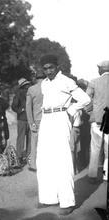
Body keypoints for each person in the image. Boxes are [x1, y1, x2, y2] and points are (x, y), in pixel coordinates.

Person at [36, 54, 90, 215]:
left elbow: (85, 99)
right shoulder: (44, 84)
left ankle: (67, 202)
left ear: (57, 66)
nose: (48, 71)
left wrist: (72, 110)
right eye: (45, 69)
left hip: (60, 118)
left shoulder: (66, 81)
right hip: (46, 119)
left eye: (50, 67)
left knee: (62, 159)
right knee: (44, 159)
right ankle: (48, 198)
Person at [86, 60, 109, 183]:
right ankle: (106, 175)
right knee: (108, 149)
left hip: (97, 120)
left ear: (100, 69)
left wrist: (92, 113)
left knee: (95, 148)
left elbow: (86, 100)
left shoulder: (94, 82)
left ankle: (92, 175)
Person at [26, 69, 46, 172]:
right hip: (48, 119)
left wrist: (30, 122)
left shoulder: (31, 89)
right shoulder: (49, 87)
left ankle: (33, 165)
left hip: (36, 119)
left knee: (34, 142)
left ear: (36, 78)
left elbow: (28, 107)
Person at [12, 77, 32, 165]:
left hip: (30, 118)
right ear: (24, 85)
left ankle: (29, 156)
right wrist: (21, 110)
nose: (28, 85)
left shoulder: (30, 92)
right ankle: (19, 156)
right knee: (21, 138)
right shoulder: (19, 93)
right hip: (22, 119)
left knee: (30, 138)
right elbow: (14, 106)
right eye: (27, 84)